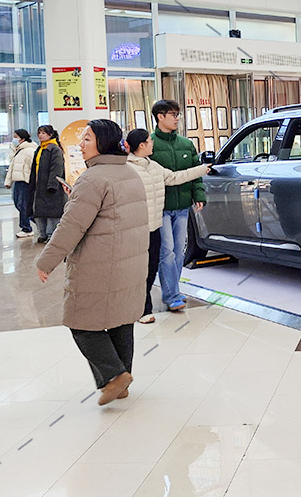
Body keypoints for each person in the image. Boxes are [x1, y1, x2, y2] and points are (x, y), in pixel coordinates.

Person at [36, 119, 148, 405]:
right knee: (121, 321)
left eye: (87, 139)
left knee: (81, 322)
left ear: (103, 143)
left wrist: (46, 260)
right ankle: (121, 382)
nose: (81, 144)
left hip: (100, 264)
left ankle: (114, 376)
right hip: (130, 262)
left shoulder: (92, 179)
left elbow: (71, 226)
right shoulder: (130, 173)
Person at [126, 128, 210, 324]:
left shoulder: (153, 166)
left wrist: (201, 170)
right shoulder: (128, 169)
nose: (153, 144)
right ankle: (143, 309)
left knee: (153, 266)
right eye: (149, 141)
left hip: (155, 226)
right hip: (138, 228)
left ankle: (159, 299)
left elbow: (174, 177)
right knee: (142, 269)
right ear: (142, 145)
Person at [150, 100, 206, 313]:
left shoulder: (186, 144)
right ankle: (171, 296)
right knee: (167, 252)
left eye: (178, 114)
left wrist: (198, 195)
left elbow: (195, 171)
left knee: (179, 252)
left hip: (182, 207)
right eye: (173, 114)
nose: (177, 118)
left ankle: (174, 289)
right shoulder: (151, 144)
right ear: (160, 116)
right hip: (161, 207)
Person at [28, 124, 67, 243]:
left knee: (52, 213)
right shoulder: (40, 149)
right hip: (39, 186)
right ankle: (42, 234)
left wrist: (52, 185)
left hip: (50, 187)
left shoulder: (54, 149)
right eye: (39, 133)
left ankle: (51, 235)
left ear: (50, 135)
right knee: (39, 212)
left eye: (43, 133)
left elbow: (56, 168)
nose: (40, 135)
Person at [4, 129, 37, 238]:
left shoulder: (30, 150)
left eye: (16, 137)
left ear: (22, 138)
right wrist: (8, 182)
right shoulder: (19, 150)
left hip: (25, 182)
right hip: (18, 181)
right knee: (18, 204)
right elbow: (12, 168)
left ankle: (26, 228)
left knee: (23, 205)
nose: (14, 139)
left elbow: (33, 167)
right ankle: (38, 222)